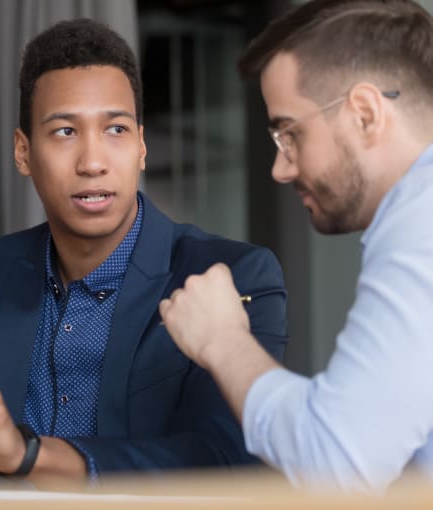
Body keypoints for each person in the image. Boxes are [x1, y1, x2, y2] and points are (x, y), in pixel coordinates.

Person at [0, 18, 288, 481]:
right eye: (64, 132)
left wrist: (28, 454)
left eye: (115, 130)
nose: (93, 163)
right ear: (22, 152)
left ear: (141, 145)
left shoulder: (232, 276)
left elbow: (224, 458)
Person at [160, 0, 433, 493]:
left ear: (366, 113)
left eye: (290, 133)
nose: (280, 168)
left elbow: (335, 460)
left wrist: (222, 340)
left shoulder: (421, 228)